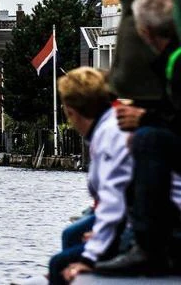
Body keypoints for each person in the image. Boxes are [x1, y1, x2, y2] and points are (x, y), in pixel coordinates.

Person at [97, 0, 181, 273]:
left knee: (146, 141)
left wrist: (143, 119)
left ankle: (147, 246)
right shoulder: (171, 60)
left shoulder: (175, 63)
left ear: (145, 31)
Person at [49, 67, 132, 284]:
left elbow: (114, 200)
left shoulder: (109, 137)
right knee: (71, 234)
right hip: (131, 214)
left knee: (58, 263)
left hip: (133, 220)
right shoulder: (107, 128)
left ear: (71, 112)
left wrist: (89, 257)